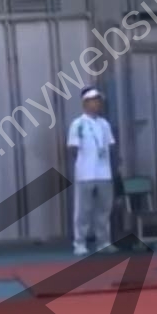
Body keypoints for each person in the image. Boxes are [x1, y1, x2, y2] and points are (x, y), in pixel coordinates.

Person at [67, 87, 116, 256]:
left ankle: (103, 241)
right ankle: (80, 242)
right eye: (94, 100)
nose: (97, 104)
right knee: (83, 210)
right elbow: (73, 148)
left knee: (104, 209)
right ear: (85, 103)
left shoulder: (104, 124)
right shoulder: (78, 124)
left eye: (99, 101)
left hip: (104, 173)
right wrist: (83, 164)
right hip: (86, 174)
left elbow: (110, 145)